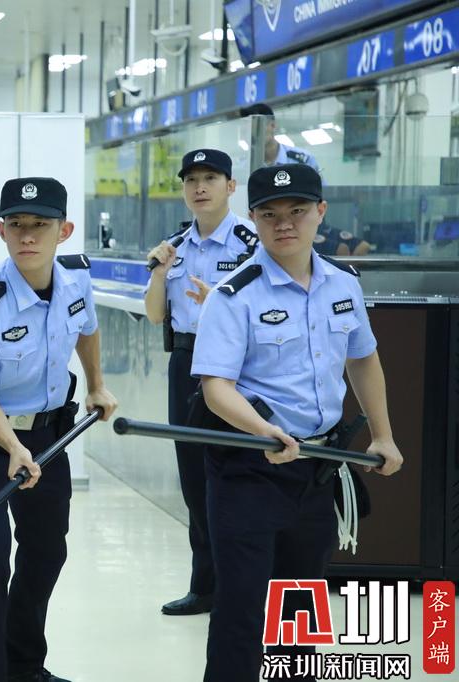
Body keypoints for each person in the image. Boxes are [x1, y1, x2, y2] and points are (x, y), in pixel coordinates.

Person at [191, 163, 404, 682]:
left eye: (298, 210)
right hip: (248, 466)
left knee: (300, 602)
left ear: (320, 212)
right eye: (270, 214)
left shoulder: (343, 284)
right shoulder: (233, 295)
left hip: (317, 465)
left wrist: (383, 434)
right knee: (242, 605)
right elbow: (216, 389)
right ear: (253, 218)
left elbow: (362, 359)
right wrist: (264, 431)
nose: (284, 223)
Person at [0, 177, 118, 682]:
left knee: (46, 551)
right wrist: (14, 448)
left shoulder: (76, 280)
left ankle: (23, 666)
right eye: (16, 224)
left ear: (63, 230)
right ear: (1, 230)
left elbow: (87, 329)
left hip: (48, 435)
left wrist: (96, 384)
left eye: (40, 225)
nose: (27, 235)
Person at [144, 148, 257, 617]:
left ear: (230, 186)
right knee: (193, 477)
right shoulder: (174, 247)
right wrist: (158, 274)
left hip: (238, 365)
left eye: (210, 178)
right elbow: (155, 315)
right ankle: (206, 585)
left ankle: (246, 585)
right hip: (187, 361)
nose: (200, 187)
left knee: (240, 472)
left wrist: (219, 304)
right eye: (191, 180)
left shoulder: (253, 244)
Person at [240, 103, 321, 173]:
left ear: (273, 126)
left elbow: (321, 186)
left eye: (258, 128)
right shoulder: (244, 167)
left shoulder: (303, 162)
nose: (253, 134)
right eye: (247, 130)